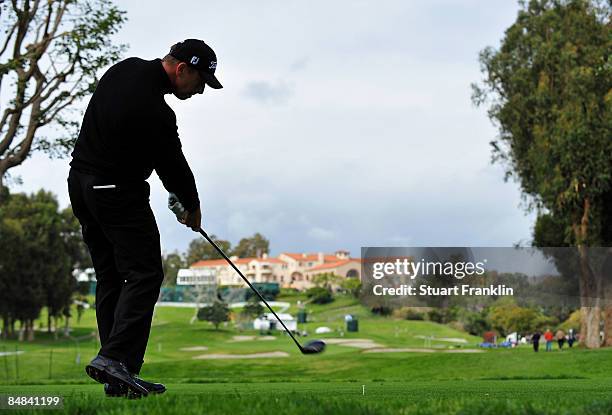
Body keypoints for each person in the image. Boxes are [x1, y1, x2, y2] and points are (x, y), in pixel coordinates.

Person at [67, 39, 222, 397]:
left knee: (110, 276)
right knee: (146, 272)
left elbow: (127, 137)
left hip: (80, 185)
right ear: (182, 68)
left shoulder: (123, 69)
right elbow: (174, 167)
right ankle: (115, 359)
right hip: (114, 190)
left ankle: (115, 372)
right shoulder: (157, 111)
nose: (200, 91)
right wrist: (192, 207)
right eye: (200, 81)